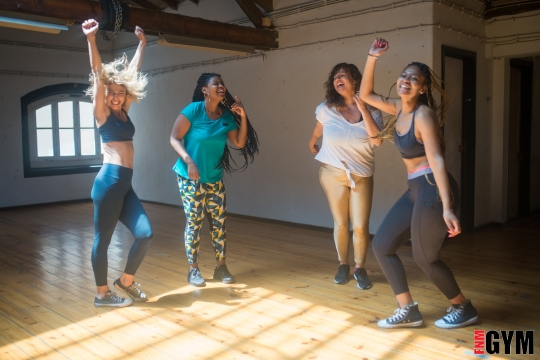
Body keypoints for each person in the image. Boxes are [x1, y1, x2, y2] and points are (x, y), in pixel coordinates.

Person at [359, 38, 478, 328]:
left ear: (423, 87)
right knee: (383, 245)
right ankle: (408, 309)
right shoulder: (398, 108)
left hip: (432, 187)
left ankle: (463, 307)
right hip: (415, 189)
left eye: (414, 78)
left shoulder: (423, 114)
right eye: (404, 75)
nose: (406, 80)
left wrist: (448, 207)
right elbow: (365, 94)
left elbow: (436, 160)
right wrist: (372, 57)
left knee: (424, 257)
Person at [83, 19, 152, 307]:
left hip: (125, 185)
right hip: (109, 182)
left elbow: (132, 74)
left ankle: (125, 281)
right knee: (104, 240)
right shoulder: (102, 113)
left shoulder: (124, 111)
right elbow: (99, 75)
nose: (115, 95)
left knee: (145, 234)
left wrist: (142, 45)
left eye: (120, 92)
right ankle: (101, 294)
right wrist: (91, 40)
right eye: (111, 92)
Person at [170, 73, 258, 287]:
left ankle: (221, 268)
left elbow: (239, 142)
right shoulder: (193, 111)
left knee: (219, 224)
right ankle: (193, 270)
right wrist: (189, 161)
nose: (221, 86)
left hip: (214, 179)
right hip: (189, 177)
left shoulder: (226, 116)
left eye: (222, 83)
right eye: (215, 83)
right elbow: (174, 137)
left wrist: (243, 116)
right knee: (195, 222)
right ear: (204, 90)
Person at [309, 63, 383, 289]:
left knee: (361, 225)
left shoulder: (374, 110)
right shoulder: (325, 108)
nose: (337, 80)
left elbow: (377, 140)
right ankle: (343, 264)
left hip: (362, 173)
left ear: (355, 81)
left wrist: (364, 108)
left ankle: (359, 267)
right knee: (341, 224)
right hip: (333, 172)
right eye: (335, 77)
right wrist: (312, 143)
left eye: (343, 76)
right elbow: (318, 130)